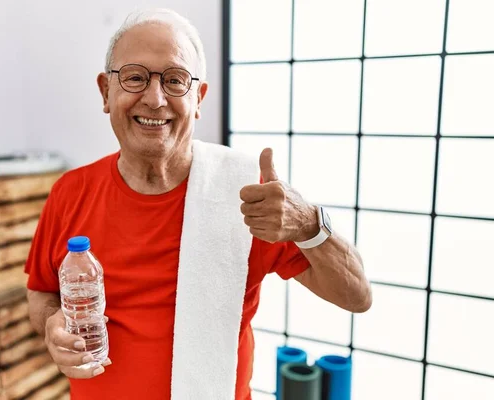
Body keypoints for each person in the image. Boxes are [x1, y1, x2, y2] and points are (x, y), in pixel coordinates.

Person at [24, 8, 372, 400]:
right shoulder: (70, 193)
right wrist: (54, 323)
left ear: (198, 97)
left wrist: (309, 223)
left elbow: (357, 295)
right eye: (135, 78)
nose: (155, 100)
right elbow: (40, 291)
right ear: (106, 91)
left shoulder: (246, 194)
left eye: (174, 80)